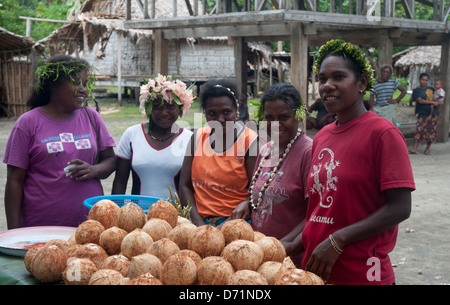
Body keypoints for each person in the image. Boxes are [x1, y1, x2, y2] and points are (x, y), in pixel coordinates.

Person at [301, 39, 415, 285]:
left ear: (361, 83)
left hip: (362, 272)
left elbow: (400, 207)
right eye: (322, 79)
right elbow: (320, 209)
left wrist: (337, 240)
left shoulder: (382, 134)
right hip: (316, 271)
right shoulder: (321, 137)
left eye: (338, 77)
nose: (328, 86)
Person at [3, 55, 116, 229]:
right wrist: (14, 233)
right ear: (54, 84)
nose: (83, 90)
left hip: (89, 227)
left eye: (85, 84)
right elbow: (14, 181)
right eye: (76, 83)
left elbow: (110, 159)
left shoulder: (91, 116)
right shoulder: (28, 123)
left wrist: (94, 170)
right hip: (41, 228)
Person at [230, 83, 312, 267]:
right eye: (269, 118)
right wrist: (248, 204)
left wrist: (281, 246)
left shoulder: (308, 152)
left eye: (283, 117)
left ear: (298, 115)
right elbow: (261, 195)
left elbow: (313, 214)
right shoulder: (266, 150)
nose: (275, 124)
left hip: (291, 260)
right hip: (261, 256)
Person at [179, 79, 261, 227]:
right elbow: (184, 185)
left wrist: (226, 225)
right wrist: (198, 224)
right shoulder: (197, 138)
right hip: (198, 222)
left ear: (237, 110)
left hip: (236, 224)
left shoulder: (250, 142)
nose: (220, 119)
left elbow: (257, 192)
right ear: (205, 114)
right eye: (212, 113)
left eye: (226, 112)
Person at [112, 74, 194, 198]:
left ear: (181, 109)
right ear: (148, 108)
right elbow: (120, 181)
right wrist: (115, 211)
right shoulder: (132, 135)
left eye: (171, 106)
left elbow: (195, 185)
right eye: (157, 106)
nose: (164, 112)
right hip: (140, 214)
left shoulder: (190, 139)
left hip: (178, 216)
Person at [409, 73, 442, 155]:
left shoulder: (431, 89)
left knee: (432, 131)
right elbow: (420, 100)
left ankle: (427, 149)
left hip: (434, 113)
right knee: (419, 130)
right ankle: (415, 148)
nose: (424, 82)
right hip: (422, 113)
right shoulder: (416, 90)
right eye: (423, 80)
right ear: (419, 80)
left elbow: (438, 97)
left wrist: (438, 103)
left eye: (426, 80)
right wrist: (433, 102)